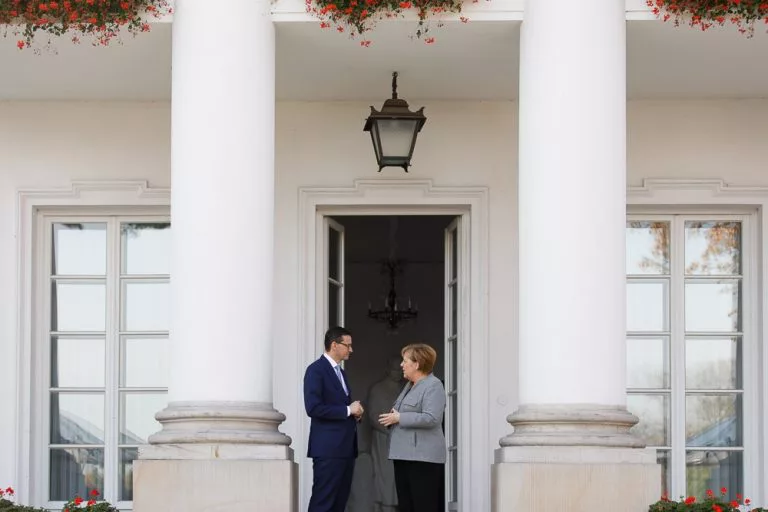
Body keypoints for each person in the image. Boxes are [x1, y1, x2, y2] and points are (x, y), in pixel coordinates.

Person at [378, 343, 446, 512]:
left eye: (405, 361)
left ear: (417, 364)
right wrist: (392, 418)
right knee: (406, 506)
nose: (402, 365)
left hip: (422, 459)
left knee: (423, 506)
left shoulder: (433, 385)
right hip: (403, 455)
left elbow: (432, 418)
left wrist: (399, 418)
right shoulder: (409, 385)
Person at [304, 326, 364, 512]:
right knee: (323, 503)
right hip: (328, 450)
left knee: (339, 503)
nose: (351, 350)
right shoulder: (316, 370)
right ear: (334, 345)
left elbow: (340, 408)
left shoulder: (341, 373)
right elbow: (313, 408)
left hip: (345, 449)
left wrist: (355, 413)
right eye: (348, 345)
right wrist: (348, 410)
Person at [366, 356, 404, 512]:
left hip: (402, 442)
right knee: (386, 477)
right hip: (384, 440)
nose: (398, 373)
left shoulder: (405, 389)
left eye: (400, 370)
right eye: (395, 370)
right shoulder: (378, 389)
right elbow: (373, 416)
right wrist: (391, 430)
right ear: (388, 370)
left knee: (400, 478)